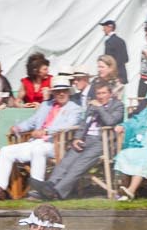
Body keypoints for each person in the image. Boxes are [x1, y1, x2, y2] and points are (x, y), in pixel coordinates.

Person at [0, 77, 80, 201]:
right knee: (6, 151)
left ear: (68, 92)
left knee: (38, 150)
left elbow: (69, 125)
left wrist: (46, 131)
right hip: (36, 142)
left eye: (64, 91)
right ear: (53, 92)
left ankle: (37, 191)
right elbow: (32, 122)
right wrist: (18, 128)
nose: (61, 93)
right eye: (58, 91)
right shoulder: (46, 105)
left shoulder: (74, 108)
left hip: (56, 144)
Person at [36, 72, 125, 200]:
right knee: (66, 161)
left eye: (103, 93)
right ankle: (49, 185)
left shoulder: (117, 106)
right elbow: (84, 123)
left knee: (79, 165)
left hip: (102, 142)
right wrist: (77, 138)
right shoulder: (92, 105)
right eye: (98, 94)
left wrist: (100, 108)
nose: (100, 97)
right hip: (85, 139)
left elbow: (110, 121)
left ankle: (58, 192)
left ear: (110, 94)